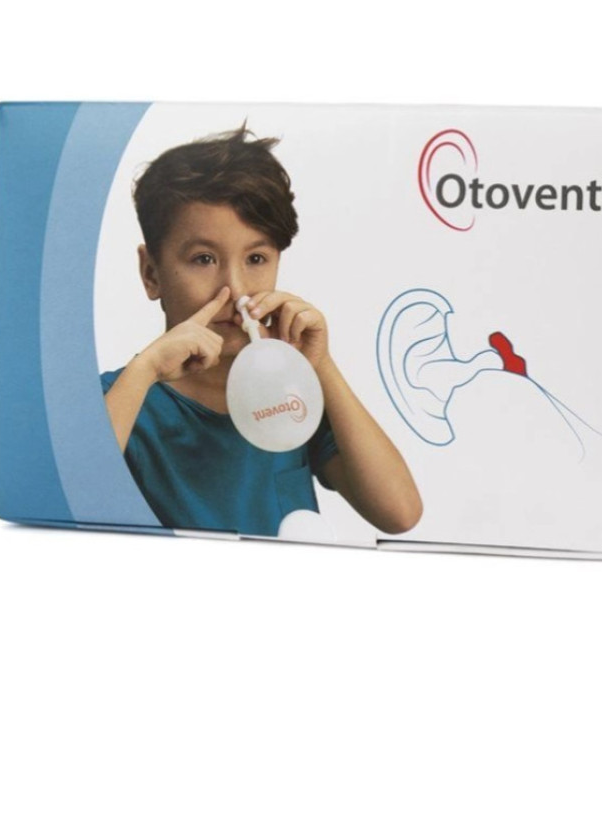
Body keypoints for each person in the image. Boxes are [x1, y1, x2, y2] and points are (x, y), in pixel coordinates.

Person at [101, 123, 422, 538]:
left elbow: (399, 513)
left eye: (256, 259)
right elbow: (61, 496)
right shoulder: (119, 399)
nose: (236, 290)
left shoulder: (290, 396)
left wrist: (321, 365)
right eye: (203, 259)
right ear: (151, 273)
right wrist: (145, 370)